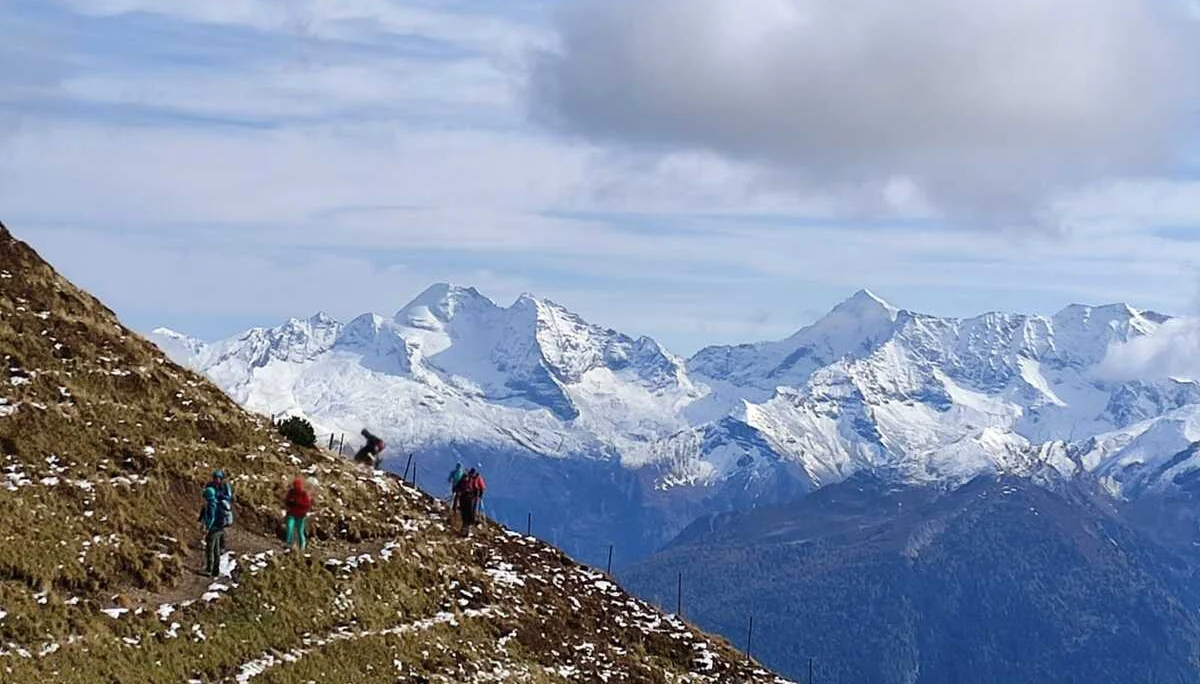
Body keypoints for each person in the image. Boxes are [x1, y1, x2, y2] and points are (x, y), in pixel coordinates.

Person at [198, 486, 228, 577]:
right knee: (216, 550)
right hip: (220, 529)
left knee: (210, 549)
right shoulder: (217, 502)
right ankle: (216, 571)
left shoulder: (211, 504)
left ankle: (209, 570)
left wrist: (207, 528)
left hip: (213, 530)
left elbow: (211, 518)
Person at [454, 467, 486, 538]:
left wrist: (480, 494)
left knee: (468, 511)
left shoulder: (474, 478)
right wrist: (480, 494)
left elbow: (481, 487)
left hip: (469, 496)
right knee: (467, 511)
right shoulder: (472, 477)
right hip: (467, 496)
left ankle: (467, 527)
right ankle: (466, 526)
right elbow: (482, 487)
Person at [284, 476, 313, 551]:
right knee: (290, 528)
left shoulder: (303, 494)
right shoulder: (291, 492)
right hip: (292, 514)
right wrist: (290, 502)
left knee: (300, 531)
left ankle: (302, 546)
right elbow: (286, 501)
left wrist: (297, 502)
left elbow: (307, 505)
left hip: (300, 515)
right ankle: (289, 543)